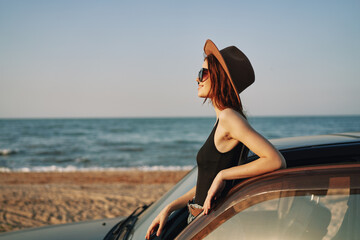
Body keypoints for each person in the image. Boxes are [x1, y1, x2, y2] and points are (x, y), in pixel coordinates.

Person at [145, 39, 286, 239]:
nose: (197, 79)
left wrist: (223, 175)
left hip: (214, 226)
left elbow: (275, 160)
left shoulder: (229, 118)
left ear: (220, 78)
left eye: (203, 73)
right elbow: (204, 185)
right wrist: (169, 207)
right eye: (198, 73)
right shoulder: (222, 119)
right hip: (203, 222)